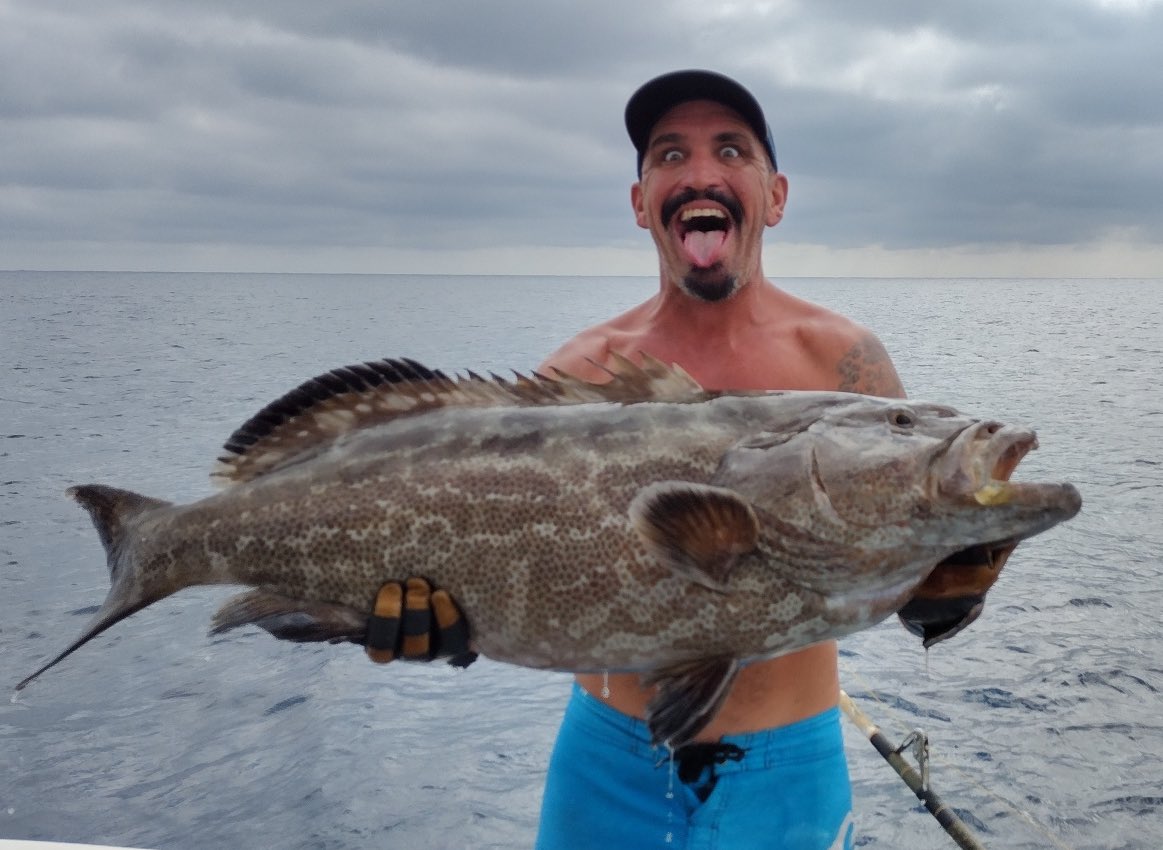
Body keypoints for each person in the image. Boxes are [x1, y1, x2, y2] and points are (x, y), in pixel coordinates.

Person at [530, 70, 906, 850]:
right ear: (640, 204)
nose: (699, 173)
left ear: (774, 195)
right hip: (604, 761)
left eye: (730, 150)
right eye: (669, 155)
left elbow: (900, 564)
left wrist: (957, 584)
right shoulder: (576, 373)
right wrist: (434, 624)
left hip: (786, 769)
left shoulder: (848, 366)